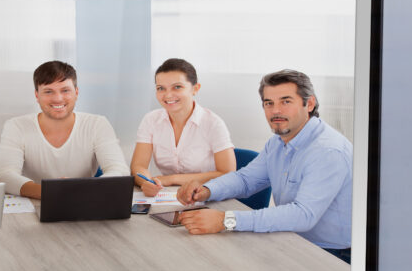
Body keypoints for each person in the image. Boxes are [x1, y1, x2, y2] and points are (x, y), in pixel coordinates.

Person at [177, 68, 353, 260]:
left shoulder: (327, 151)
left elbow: (303, 215)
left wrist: (226, 220)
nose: (275, 111)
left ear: (309, 103)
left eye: (286, 101)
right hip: (291, 239)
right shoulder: (278, 142)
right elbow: (245, 180)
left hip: (331, 254)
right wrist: (207, 190)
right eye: (269, 103)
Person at [0, 60, 127, 199]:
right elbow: (4, 175)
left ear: (76, 92)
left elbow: (119, 170)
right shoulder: (16, 126)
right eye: (48, 91)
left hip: (85, 201)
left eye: (65, 90)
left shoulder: (97, 124)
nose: (58, 98)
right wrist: (50, 191)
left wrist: (84, 189)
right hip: (36, 203)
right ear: (37, 95)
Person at [127, 57, 235, 198]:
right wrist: (145, 183)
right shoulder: (151, 120)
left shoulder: (213, 123)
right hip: (165, 197)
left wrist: (171, 179)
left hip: (206, 197)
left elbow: (228, 173)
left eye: (177, 87)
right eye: (161, 88)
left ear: (195, 89)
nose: (168, 95)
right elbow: (138, 166)